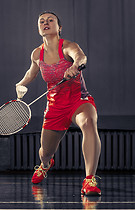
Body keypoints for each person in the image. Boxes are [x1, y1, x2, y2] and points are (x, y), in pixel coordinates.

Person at [15, 11, 101, 196]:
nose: (45, 23)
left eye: (50, 20)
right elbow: (31, 73)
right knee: (45, 152)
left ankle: (89, 180)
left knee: (88, 122)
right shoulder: (37, 53)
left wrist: (74, 66)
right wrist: (21, 84)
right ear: (39, 29)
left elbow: (81, 57)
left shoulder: (68, 46)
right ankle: (45, 165)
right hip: (55, 106)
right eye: (41, 21)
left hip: (78, 100)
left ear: (59, 27)